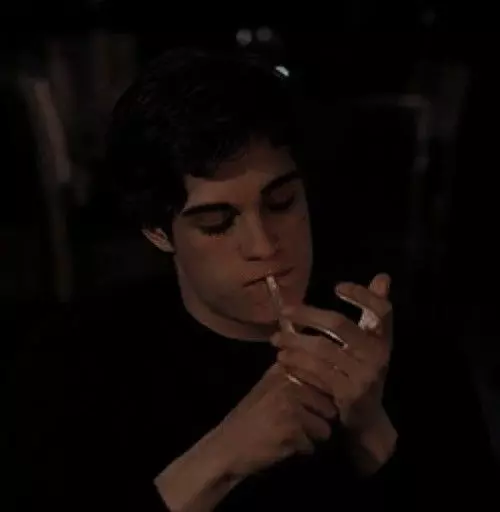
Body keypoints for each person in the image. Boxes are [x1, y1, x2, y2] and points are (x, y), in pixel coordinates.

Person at [10, 47, 496, 512]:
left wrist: (371, 431)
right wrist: (222, 457)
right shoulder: (75, 365)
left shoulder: (414, 351)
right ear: (158, 232)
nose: (264, 245)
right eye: (217, 222)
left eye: (281, 202)